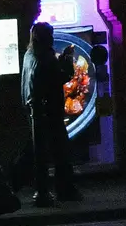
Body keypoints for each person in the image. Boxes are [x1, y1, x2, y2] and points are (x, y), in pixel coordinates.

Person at [21, 22, 82, 206]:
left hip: (34, 108)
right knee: (60, 151)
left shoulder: (29, 54)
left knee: (40, 152)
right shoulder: (46, 55)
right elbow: (61, 77)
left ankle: (43, 191)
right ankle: (63, 189)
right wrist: (67, 59)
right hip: (50, 110)